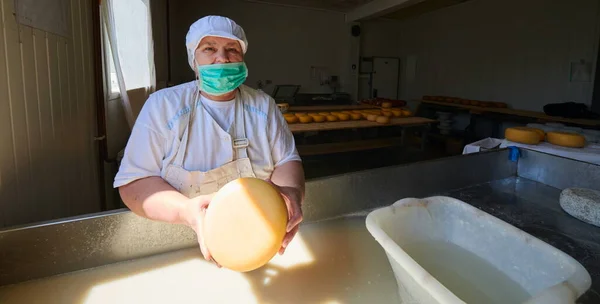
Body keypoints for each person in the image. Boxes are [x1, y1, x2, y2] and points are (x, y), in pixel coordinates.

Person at [113, 15, 305, 265]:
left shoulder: (263, 106)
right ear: (194, 59)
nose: (222, 58)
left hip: (257, 241)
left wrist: (290, 195)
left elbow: (287, 161)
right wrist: (186, 212)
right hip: (178, 248)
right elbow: (133, 182)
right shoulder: (163, 106)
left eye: (232, 50)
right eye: (209, 49)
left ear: (243, 57)